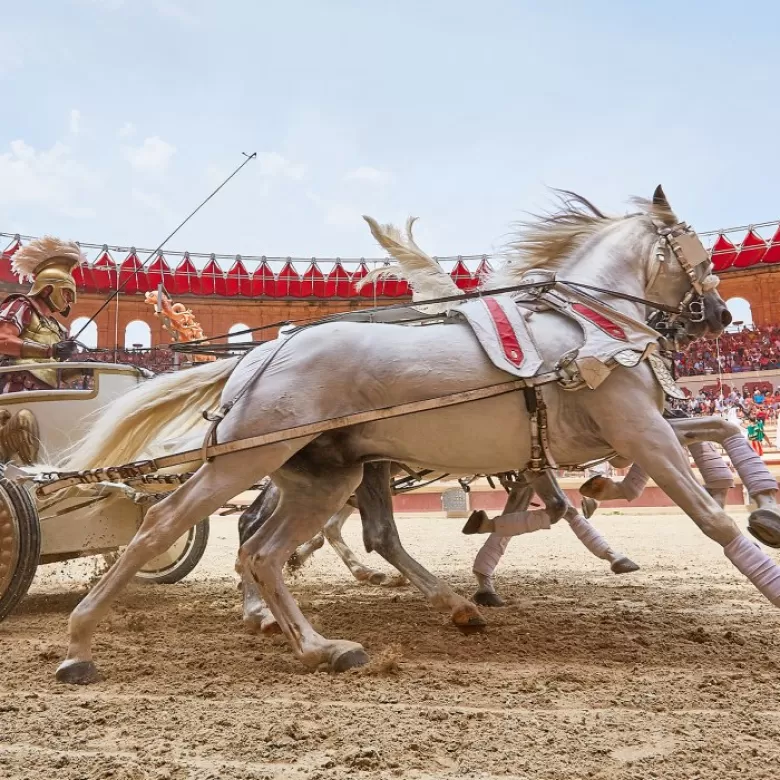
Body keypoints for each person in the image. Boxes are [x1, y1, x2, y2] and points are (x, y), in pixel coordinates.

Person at [0, 236, 82, 393]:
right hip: (14, 390)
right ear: (47, 289)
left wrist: (82, 368)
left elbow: (55, 372)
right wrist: (49, 350)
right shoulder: (20, 306)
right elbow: (2, 339)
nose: (69, 300)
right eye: (66, 292)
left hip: (45, 395)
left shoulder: (57, 328)